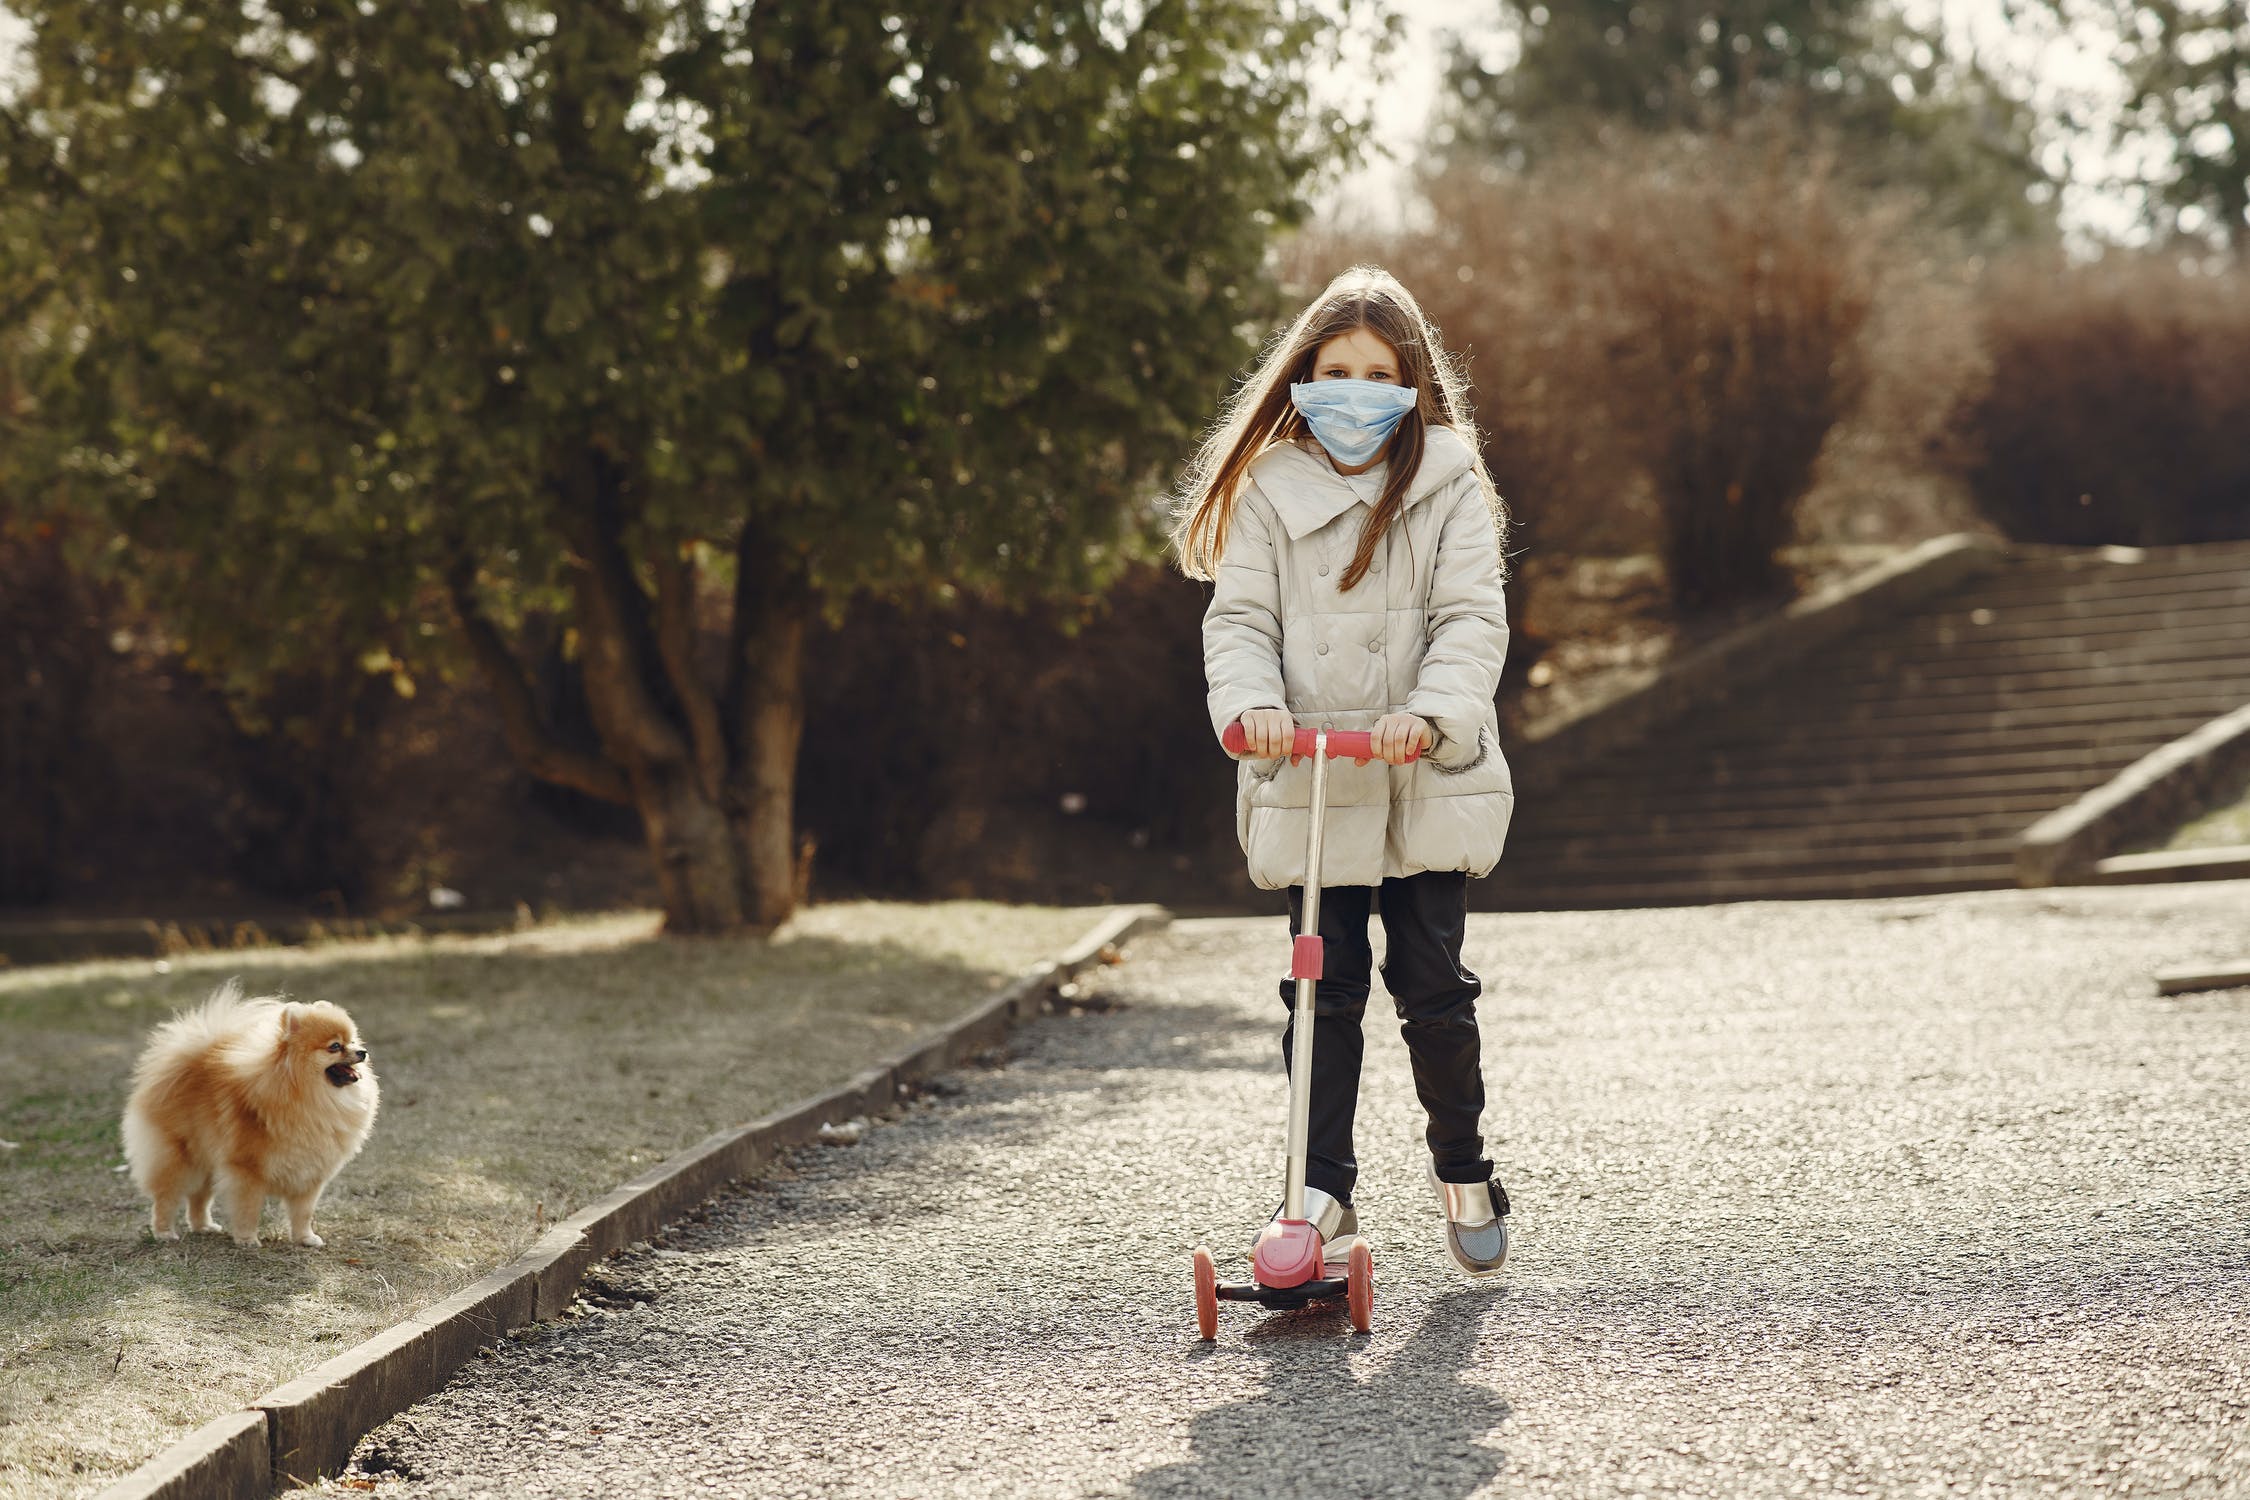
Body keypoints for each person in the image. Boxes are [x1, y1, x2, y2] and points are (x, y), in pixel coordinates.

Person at [1172, 264, 1516, 1276]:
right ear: (1302, 381)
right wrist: (1252, 709)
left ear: (1411, 383)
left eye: (1378, 371)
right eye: (1336, 370)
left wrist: (1434, 713)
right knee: (1321, 991)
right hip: (1316, 776)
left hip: (1420, 775)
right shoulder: (1267, 496)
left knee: (1433, 987)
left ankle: (1463, 1164)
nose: (1356, 391)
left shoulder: (1449, 487)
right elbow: (1239, 623)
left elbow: (1469, 619)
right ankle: (1318, 1189)